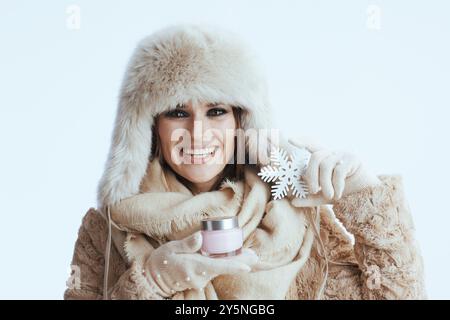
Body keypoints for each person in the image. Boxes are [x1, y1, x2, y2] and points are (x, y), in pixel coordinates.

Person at [64, 24, 426, 300]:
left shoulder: (295, 218)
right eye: (177, 112)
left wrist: (363, 192)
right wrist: (151, 283)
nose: (198, 132)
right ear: (150, 127)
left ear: (242, 122)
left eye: (216, 111)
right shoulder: (106, 232)